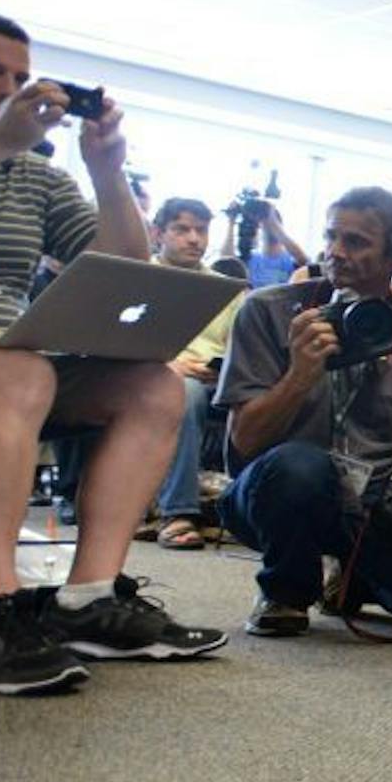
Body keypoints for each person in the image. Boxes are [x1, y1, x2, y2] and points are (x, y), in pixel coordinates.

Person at [0, 8, 224, 694]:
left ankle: (89, 597)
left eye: (19, 77)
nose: (5, 88)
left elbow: (125, 263)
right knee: (17, 374)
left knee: (152, 385)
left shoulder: (34, 177)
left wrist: (105, 170)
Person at [215, 186, 392, 637]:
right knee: (300, 465)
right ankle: (285, 591)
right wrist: (300, 374)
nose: (335, 253)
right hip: (275, 494)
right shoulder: (268, 310)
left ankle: (356, 575)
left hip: (378, 508)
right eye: (331, 237)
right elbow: (244, 442)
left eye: (356, 242)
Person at [145, 197, 245, 550]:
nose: (194, 239)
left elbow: (243, 347)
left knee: (269, 397)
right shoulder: (141, 277)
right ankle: (178, 511)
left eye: (201, 231)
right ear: (158, 233)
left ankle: (247, 512)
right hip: (154, 376)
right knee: (182, 391)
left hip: (216, 380)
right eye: (182, 229)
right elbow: (120, 339)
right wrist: (164, 363)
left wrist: (226, 374)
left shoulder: (227, 290)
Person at [221, 199, 306, 289]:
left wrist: (272, 221)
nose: (268, 225)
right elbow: (227, 261)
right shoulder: (250, 257)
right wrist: (231, 221)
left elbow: (304, 261)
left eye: (272, 222)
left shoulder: (290, 259)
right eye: (264, 222)